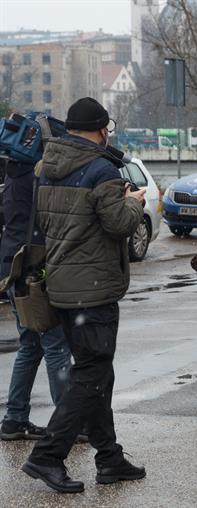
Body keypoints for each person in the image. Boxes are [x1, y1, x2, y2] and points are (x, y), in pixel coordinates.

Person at [22, 97, 147, 493]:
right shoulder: (101, 170)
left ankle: (109, 458)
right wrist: (134, 203)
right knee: (92, 374)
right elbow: (118, 225)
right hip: (93, 289)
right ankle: (48, 455)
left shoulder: (46, 167)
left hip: (61, 286)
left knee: (96, 372)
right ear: (101, 129)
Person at [0, 158, 71, 441]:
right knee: (55, 344)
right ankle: (67, 423)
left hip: (13, 266)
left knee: (29, 345)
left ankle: (15, 419)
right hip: (32, 270)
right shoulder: (39, 177)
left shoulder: (13, 175)